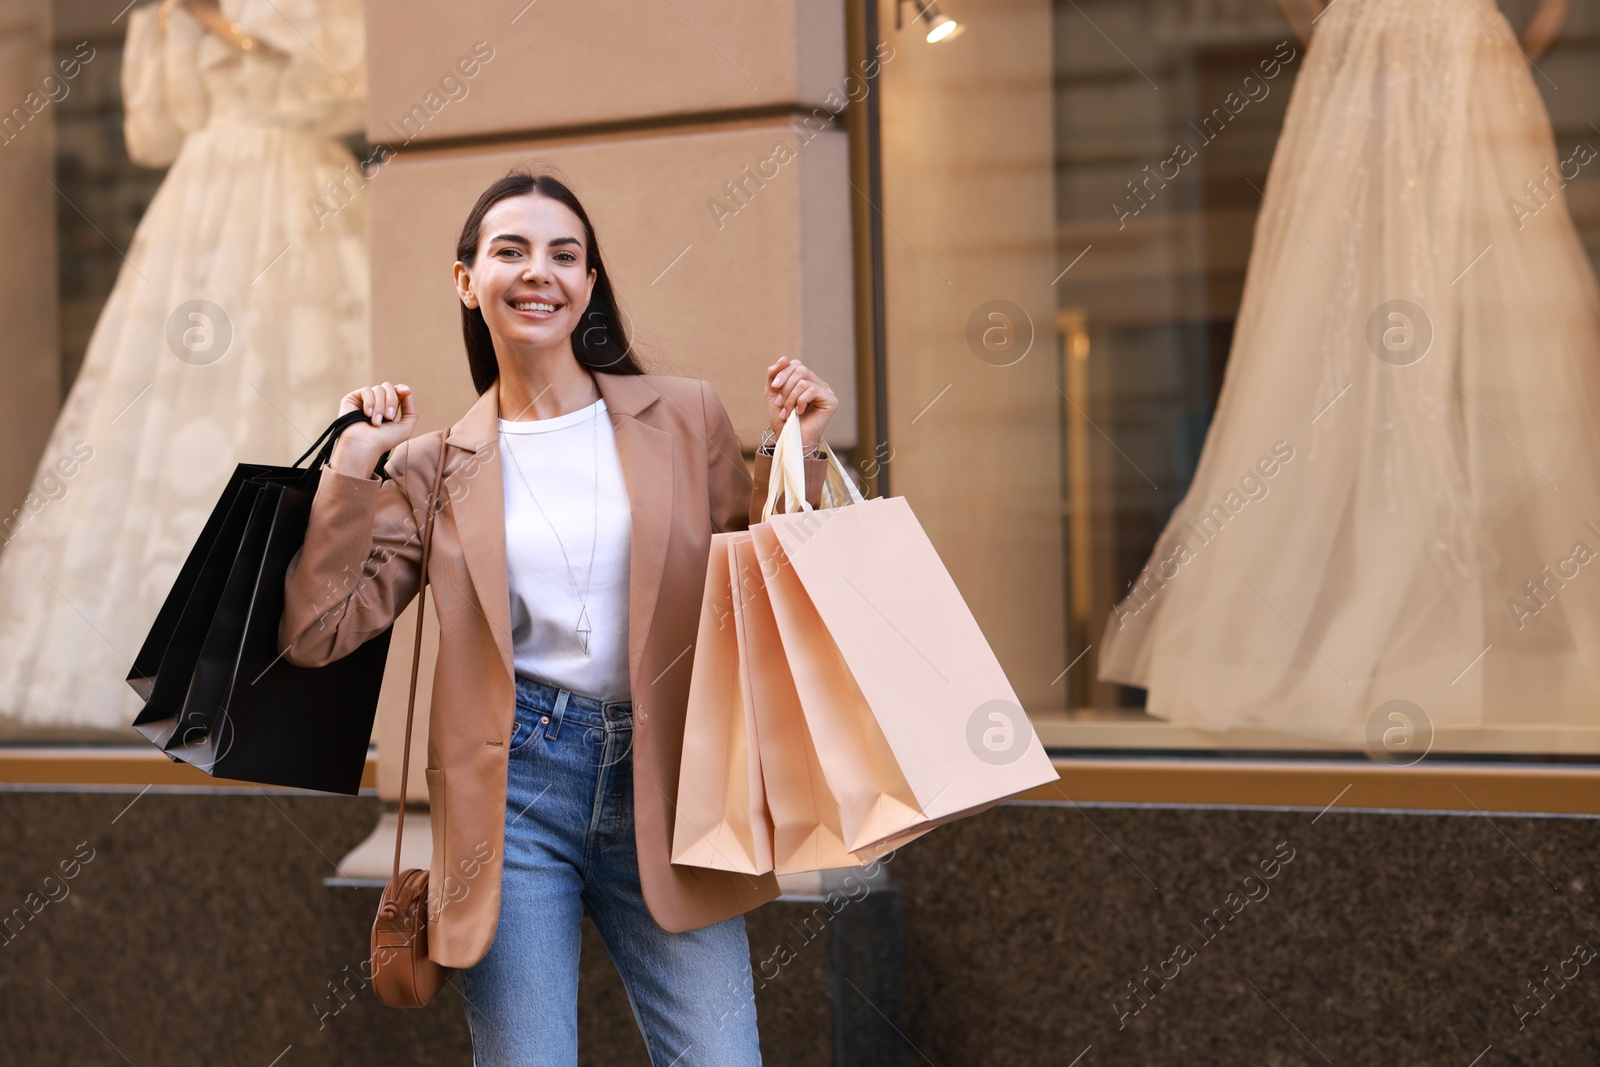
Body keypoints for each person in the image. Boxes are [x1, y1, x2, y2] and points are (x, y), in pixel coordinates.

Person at [276, 167, 840, 1065]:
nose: (539, 271)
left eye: (563, 255)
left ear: (587, 286)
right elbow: (316, 634)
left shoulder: (683, 416)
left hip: (667, 773)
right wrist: (351, 467)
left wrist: (798, 452)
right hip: (514, 793)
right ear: (468, 281)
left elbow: (765, 581)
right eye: (512, 251)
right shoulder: (432, 465)